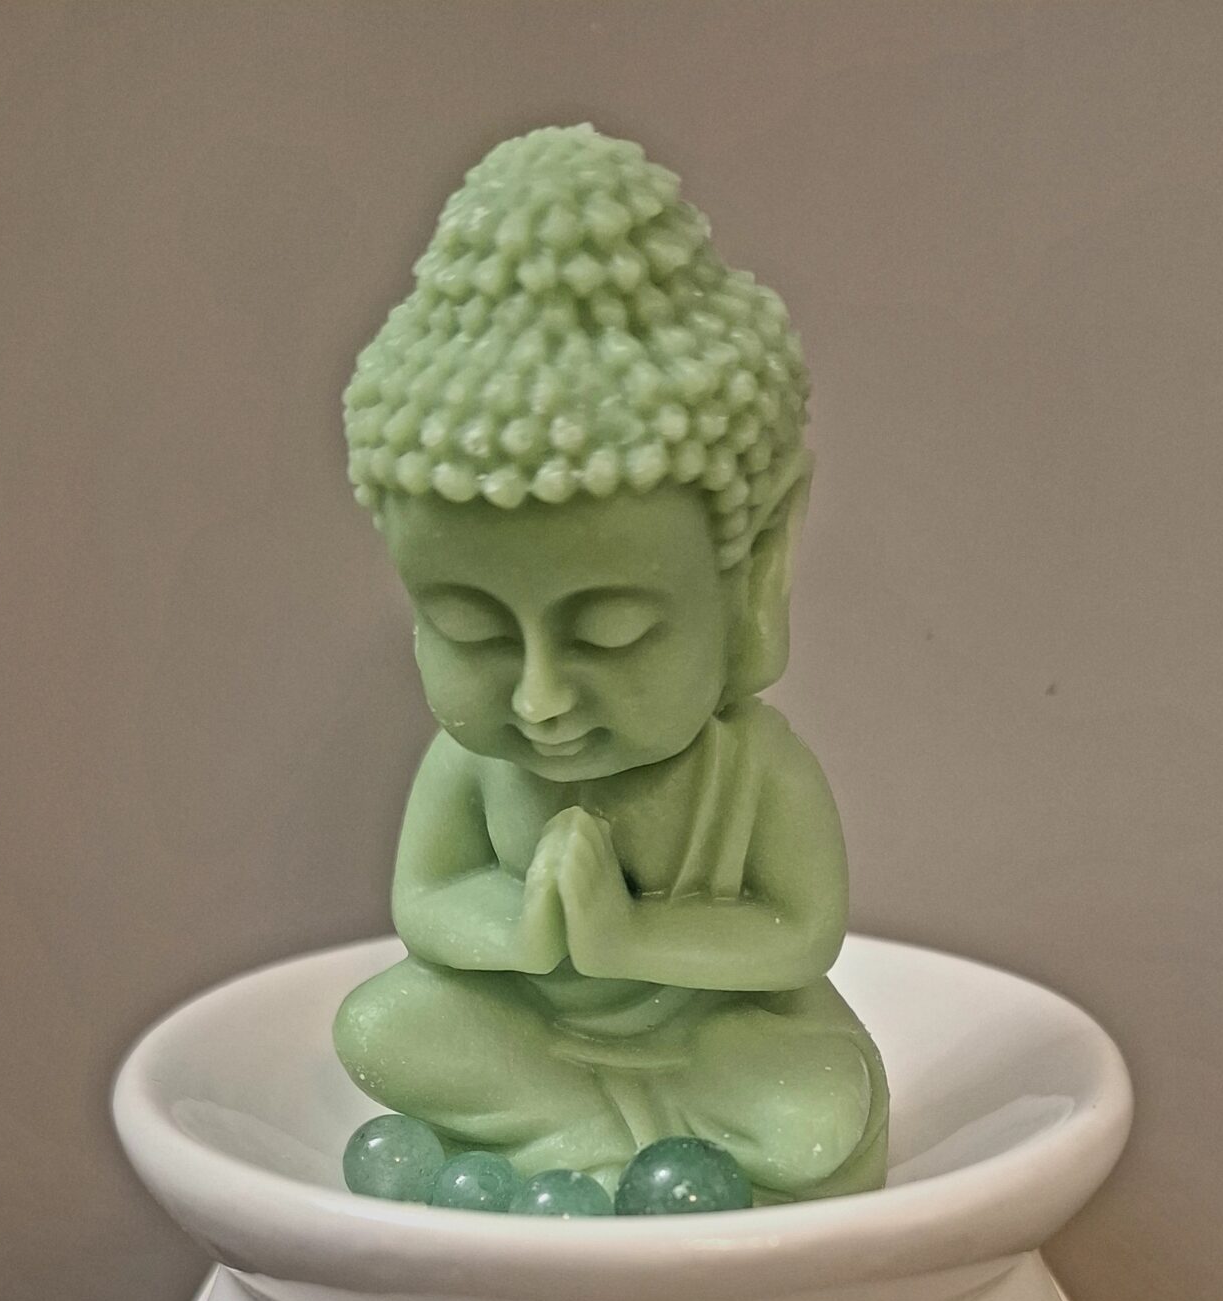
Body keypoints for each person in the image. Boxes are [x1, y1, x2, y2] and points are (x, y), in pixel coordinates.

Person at [333, 125, 887, 1202]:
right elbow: (426, 900)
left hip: (716, 1049)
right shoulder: (475, 766)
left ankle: (579, 1158)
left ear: (753, 579)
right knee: (380, 1026)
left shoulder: (752, 770)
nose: (539, 698)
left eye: (612, 634)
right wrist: (521, 927)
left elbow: (800, 934)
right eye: (475, 633)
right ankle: (623, 1159)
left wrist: (629, 934)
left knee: (817, 1107)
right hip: (532, 1037)